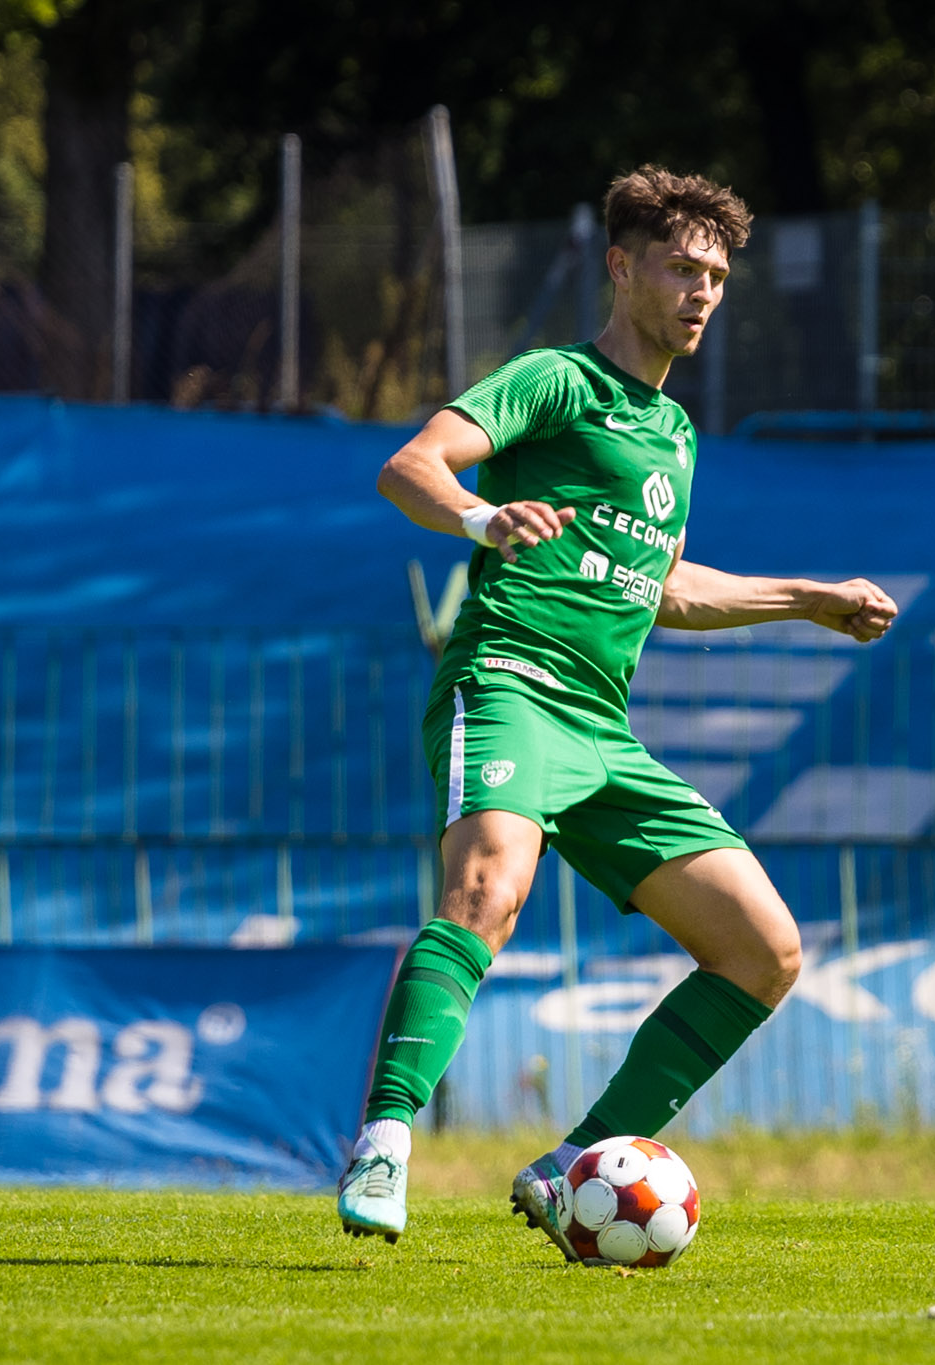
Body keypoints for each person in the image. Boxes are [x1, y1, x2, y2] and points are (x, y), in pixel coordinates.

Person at [337, 165, 899, 1257]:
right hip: (507, 685)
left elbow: (665, 587)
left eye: (718, 275)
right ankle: (384, 1139)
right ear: (621, 267)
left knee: (764, 951)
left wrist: (806, 600)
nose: (701, 291)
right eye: (682, 268)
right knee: (488, 890)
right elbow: (410, 468)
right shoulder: (555, 381)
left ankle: (569, 1170)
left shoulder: (674, 437)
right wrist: (481, 516)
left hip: (601, 732)